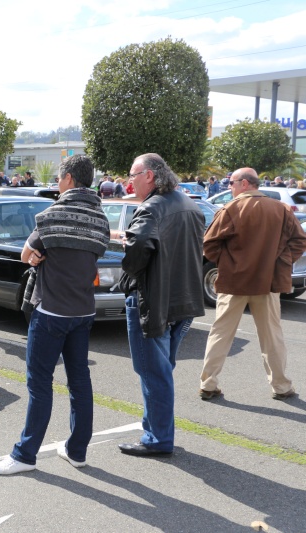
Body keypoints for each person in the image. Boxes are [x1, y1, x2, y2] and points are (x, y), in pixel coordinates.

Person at [0, 154, 110, 475]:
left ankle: (25, 455)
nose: (57, 183)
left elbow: (28, 254)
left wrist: (39, 257)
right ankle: (77, 450)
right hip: (84, 310)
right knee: (80, 383)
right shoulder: (101, 218)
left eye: (59, 178)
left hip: (51, 310)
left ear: (69, 179)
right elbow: (94, 255)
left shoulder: (52, 214)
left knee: (40, 384)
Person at [117, 153, 205, 456]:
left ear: (150, 176)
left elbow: (137, 249)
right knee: (161, 371)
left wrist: (130, 259)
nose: (129, 181)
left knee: (154, 373)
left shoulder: (152, 208)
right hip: (184, 300)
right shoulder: (188, 203)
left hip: (155, 301)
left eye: (132, 174)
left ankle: (157, 439)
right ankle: (156, 432)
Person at [199, 168, 306, 401]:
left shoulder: (230, 209)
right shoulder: (281, 210)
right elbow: (299, 242)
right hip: (268, 283)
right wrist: (281, 261)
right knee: (272, 337)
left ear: (245, 183)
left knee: (221, 333)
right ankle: (281, 386)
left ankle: (208, 384)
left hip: (233, 283)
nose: (230, 187)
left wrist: (228, 263)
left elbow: (209, 245)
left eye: (232, 183)